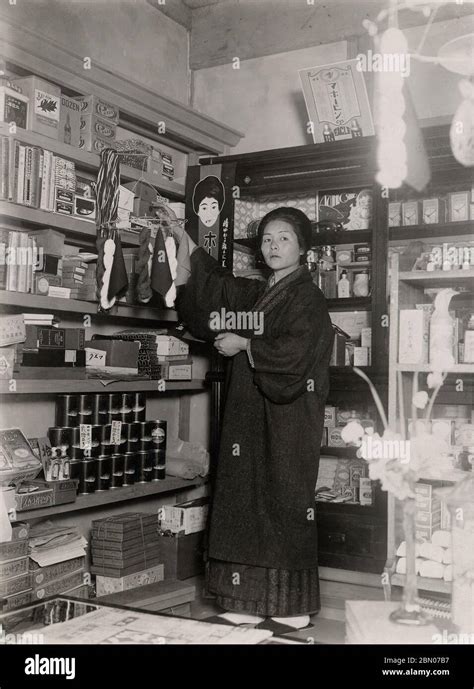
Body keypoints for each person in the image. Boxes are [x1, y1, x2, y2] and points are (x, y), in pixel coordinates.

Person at [175, 207, 334, 629]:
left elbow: (295, 356)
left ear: (303, 247)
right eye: (267, 239)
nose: (274, 246)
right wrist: (185, 242)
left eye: (284, 238)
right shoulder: (260, 294)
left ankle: (293, 608)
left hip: (286, 419)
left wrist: (246, 346)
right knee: (243, 500)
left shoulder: (308, 299)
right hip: (248, 414)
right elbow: (220, 291)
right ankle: (244, 602)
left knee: (282, 501)